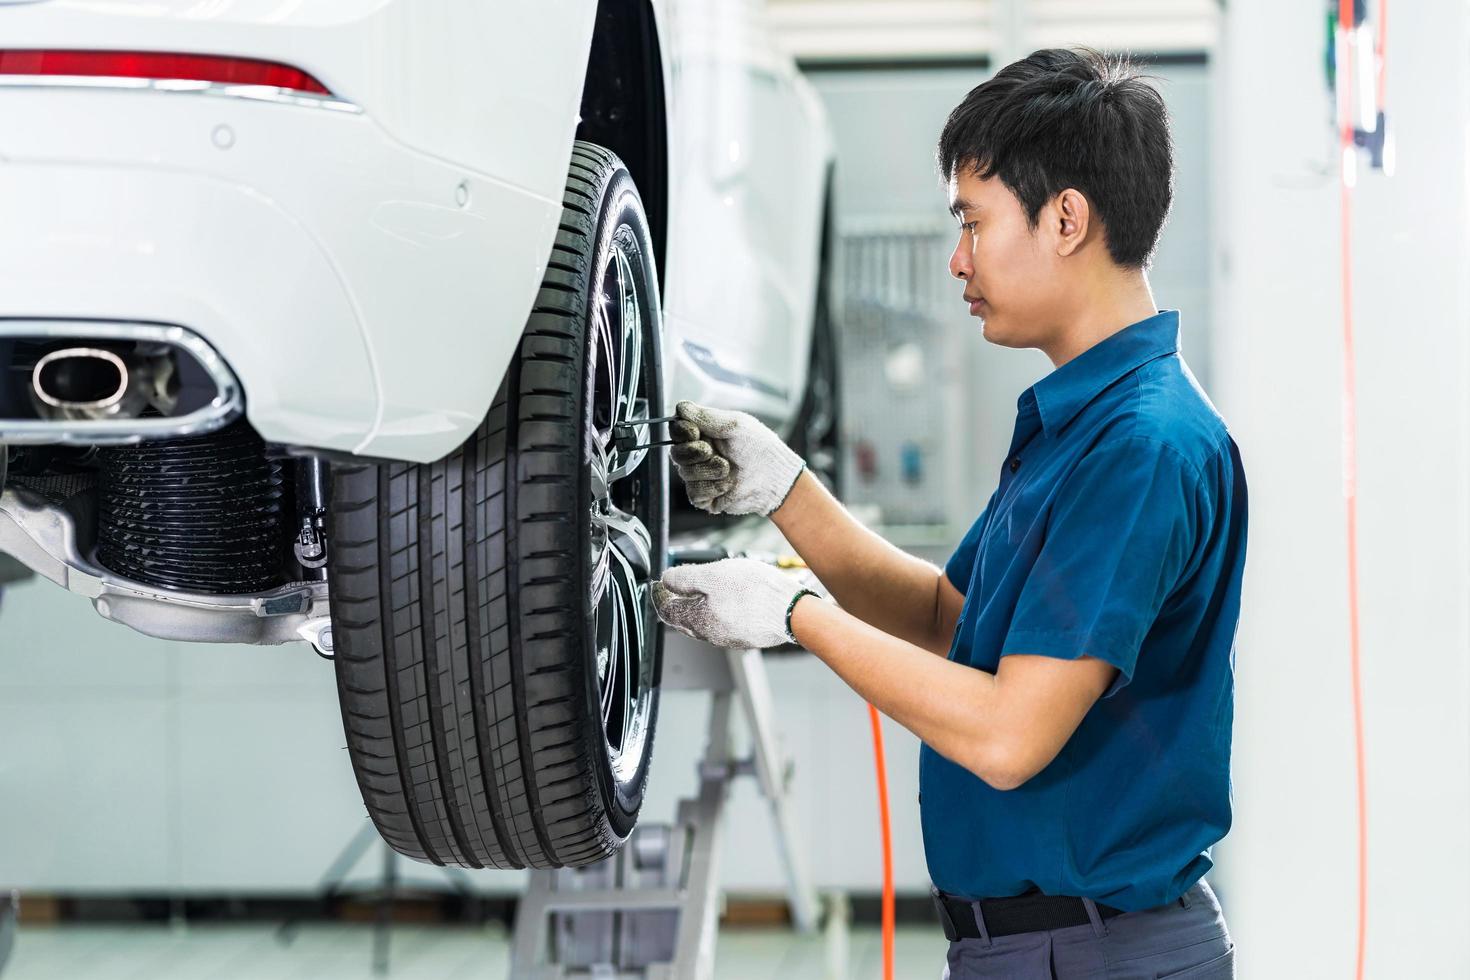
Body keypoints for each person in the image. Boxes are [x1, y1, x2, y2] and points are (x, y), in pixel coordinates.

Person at [652, 46, 1247, 979]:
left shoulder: (1142, 447)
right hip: (1044, 947)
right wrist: (787, 493)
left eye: (972, 221)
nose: (956, 259)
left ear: (1066, 219)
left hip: (1096, 954)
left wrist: (794, 617)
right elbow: (946, 621)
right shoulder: (1080, 423)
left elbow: (1010, 736)